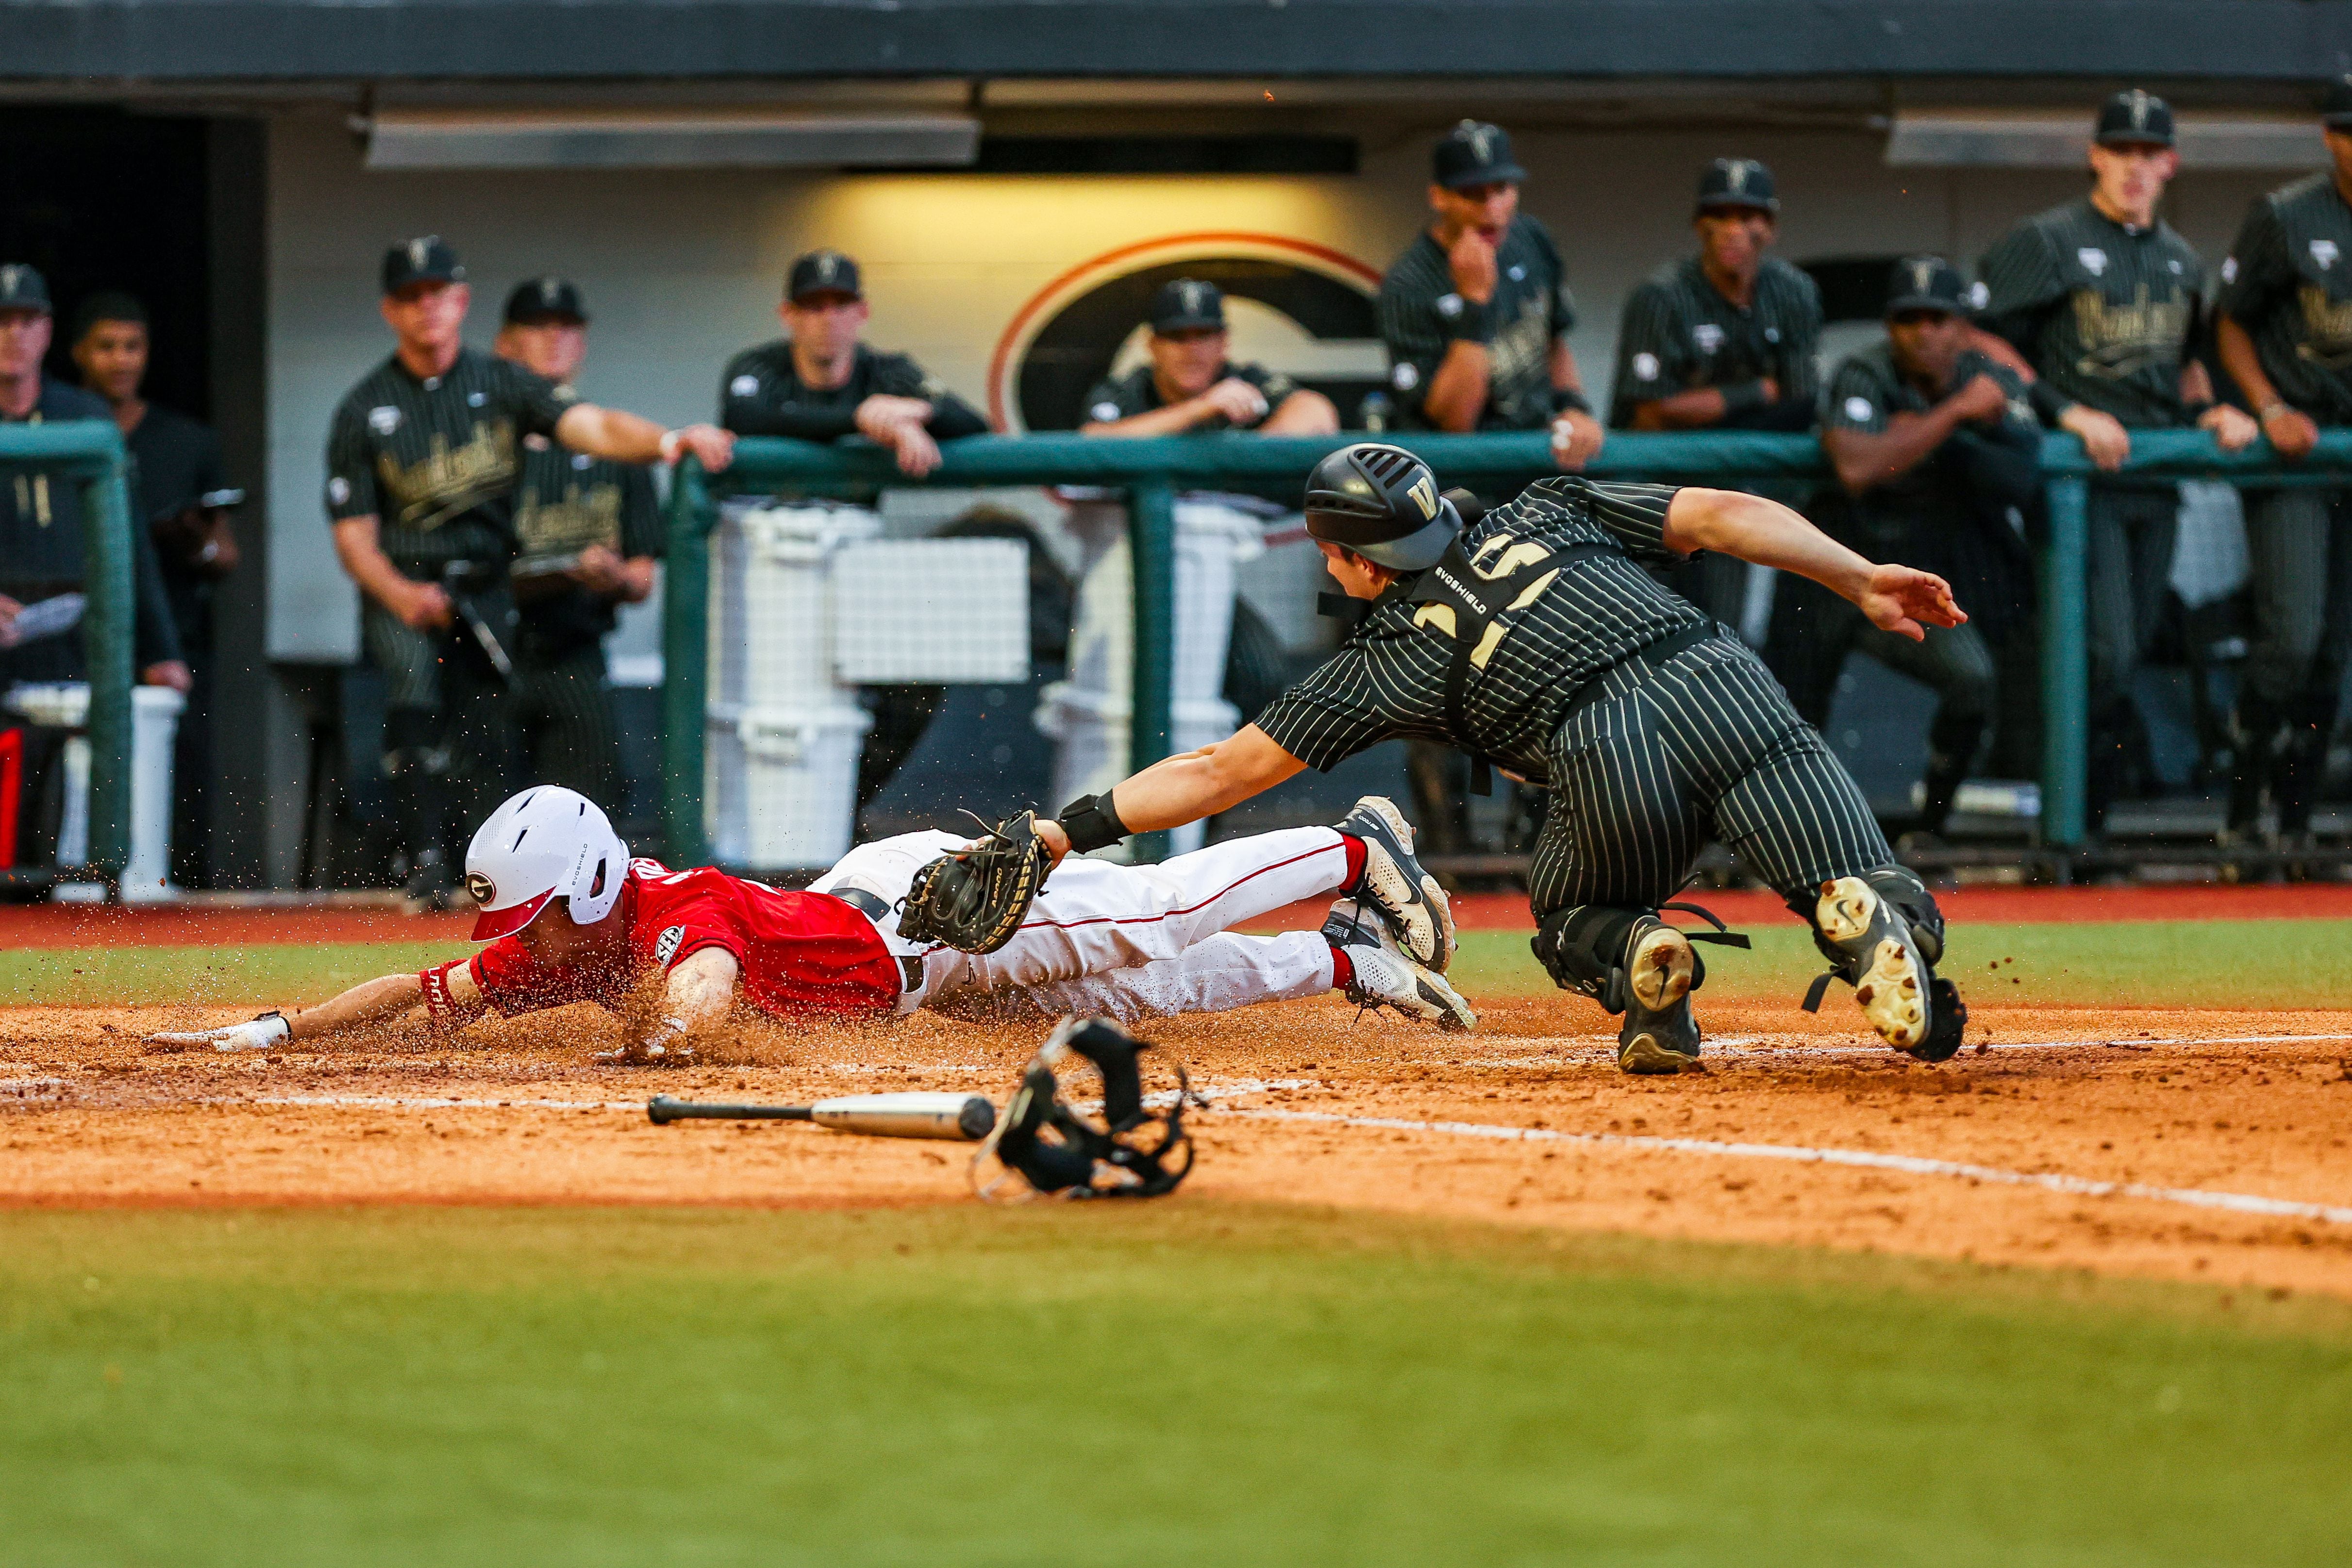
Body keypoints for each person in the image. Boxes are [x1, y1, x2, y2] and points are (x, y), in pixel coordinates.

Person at [1009, 443, 1974, 1076]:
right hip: (1723, 681)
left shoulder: (1384, 657)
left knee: (1575, 916)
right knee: (1866, 877)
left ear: (1352, 560)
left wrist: (1067, 827)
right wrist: (1856, 577)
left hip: (1604, 745)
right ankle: (1866, 913)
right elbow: (1719, 513)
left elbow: (1220, 770)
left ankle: (1639, 956)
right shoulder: (1545, 508)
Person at [143, 784, 1475, 1057]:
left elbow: (709, 986)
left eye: (539, 920)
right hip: (896, 954)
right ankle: (1340, 956)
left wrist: (656, 1045)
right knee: (1136, 998)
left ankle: (1355, 848)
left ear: (591, 890)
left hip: (928, 918)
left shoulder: (676, 917)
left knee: (1144, 910)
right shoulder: (572, 935)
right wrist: (271, 1031)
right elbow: (418, 989)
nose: (524, 948)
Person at [326, 236, 733, 910]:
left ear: (460, 301)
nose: (427, 308)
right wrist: (399, 592)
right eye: (411, 296)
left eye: (438, 293)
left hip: (495, 593)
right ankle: (429, 866)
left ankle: (560, 892)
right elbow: (353, 534)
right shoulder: (363, 407)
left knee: (520, 748)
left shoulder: (500, 382)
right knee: (419, 703)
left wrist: (667, 441)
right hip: (411, 584)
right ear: (389, 309)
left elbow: (591, 423)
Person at [1975, 89, 2260, 833]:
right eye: (2120, 151)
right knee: (2098, 649)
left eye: (2148, 153)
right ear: (2094, 155)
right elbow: (1982, 340)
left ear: (2170, 163)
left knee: (2124, 652)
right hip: (2077, 483)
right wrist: (2064, 410)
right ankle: (2064, 818)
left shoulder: (2179, 257)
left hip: (2153, 483)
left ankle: (2087, 821)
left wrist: (2211, 410)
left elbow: (2187, 363)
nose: (2134, 166)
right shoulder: (2048, 238)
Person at [1376, 120, 1604, 860]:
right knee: (1437, 680)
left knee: (1550, 663)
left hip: (1534, 494)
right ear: (1440, 196)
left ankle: (1534, 851)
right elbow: (1455, 414)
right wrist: (1473, 303)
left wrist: (1575, 406)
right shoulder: (1412, 280)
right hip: (1446, 509)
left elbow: (1555, 340)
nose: (1492, 205)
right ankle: (1447, 860)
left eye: (1501, 187)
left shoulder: (1532, 242)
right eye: (1473, 192)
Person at [1802, 257, 2043, 841]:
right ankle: (1790, 836)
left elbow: (2020, 476)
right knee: (1794, 703)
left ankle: (1933, 823)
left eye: (1938, 318)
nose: (1924, 332)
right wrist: (1958, 418)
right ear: (1890, 326)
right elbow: (1859, 465)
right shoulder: (1865, 370)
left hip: (1958, 562)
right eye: (1909, 318)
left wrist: (1916, 439)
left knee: (1977, 679)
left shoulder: (1991, 374)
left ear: (1963, 328)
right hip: (1851, 563)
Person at [2211, 76, 2352, 865]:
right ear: (2332, 138)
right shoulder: (2287, 215)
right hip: (2296, 448)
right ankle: (2240, 809)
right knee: (2291, 638)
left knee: (2334, 652)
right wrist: (2266, 405)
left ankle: (2294, 827)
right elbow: (2230, 324)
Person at [1610, 158, 1825, 630]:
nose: (1734, 230)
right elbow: (1650, 413)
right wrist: (1756, 391)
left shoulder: (1793, 292)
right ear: (1699, 224)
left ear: (1769, 228)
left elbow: (1799, 400)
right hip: (1652, 488)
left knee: (1720, 632)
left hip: (1737, 488)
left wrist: (1706, 406)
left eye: (1747, 217)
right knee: (1644, 631)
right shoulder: (1661, 295)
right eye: (1720, 215)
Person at [71, 290, 238, 887]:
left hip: (175, 632)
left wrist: (193, 539)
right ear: (80, 353)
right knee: (78, 763)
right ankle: (71, 889)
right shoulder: (69, 429)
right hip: (83, 636)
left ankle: (181, 895)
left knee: (181, 768)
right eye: (107, 346)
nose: (121, 359)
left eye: (133, 346)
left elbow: (225, 553)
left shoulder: (185, 440)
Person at [492, 277, 661, 806]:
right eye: (538, 328)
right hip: (487, 651)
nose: (554, 339)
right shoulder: (483, 449)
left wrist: (612, 576)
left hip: (574, 647)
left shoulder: (613, 446)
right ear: (507, 343)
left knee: (583, 807)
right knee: (480, 816)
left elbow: (642, 580)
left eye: (566, 328)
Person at [0, 264, 188, 697]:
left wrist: (162, 650)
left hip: (71, 645)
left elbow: (130, 538)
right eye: (3, 322)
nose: (15, 336)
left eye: (27, 322)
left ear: (47, 332)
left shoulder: (83, 416)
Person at [719, 249, 989, 476]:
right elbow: (744, 419)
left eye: (842, 306)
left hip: (853, 525)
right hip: (763, 520)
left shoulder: (885, 371)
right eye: (815, 307)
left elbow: (976, 425)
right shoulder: (759, 365)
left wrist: (919, 412)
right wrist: (861, 418)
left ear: (863, 313)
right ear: (788, 315)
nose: (829, 320)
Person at [1079, 278, 1337, 436]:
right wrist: (1201, 408)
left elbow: (1316, 411)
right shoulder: (1127, 388)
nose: (1192, 349)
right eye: (1177, 337)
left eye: (1204, 336)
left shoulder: (1246, 381)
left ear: (1224, 342)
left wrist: (1247, 457)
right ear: (1153, 345)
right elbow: (1093, 441)